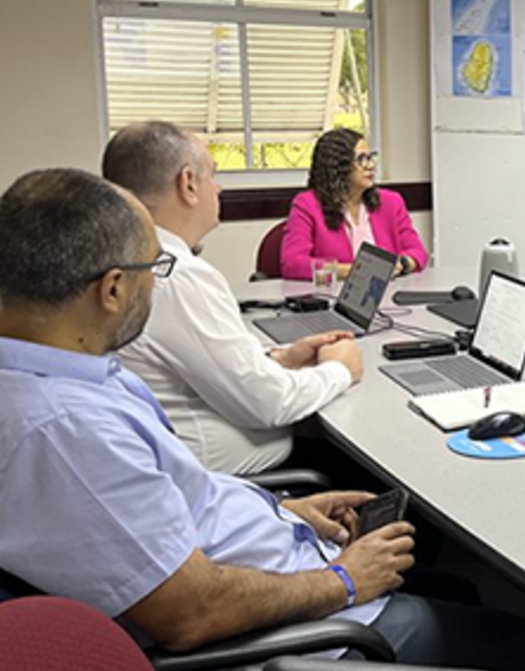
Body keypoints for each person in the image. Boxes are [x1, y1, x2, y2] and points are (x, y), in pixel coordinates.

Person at [0, 168, 525, 671]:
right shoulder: (62, 431)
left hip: (271, 566)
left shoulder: (15, 371)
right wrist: (344, 581)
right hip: (269, 658)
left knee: (455, 587)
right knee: (523, 648)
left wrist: (283, 509)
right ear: (112, 289)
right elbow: (188, 614)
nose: (157, 283)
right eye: (153, 269)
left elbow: (161, 500)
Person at [102, 121, 362, 475]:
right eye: (213, 174)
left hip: (161, 464)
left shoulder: (124, 256)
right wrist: (340, 369)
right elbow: (267, 403)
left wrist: (279, 357)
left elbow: (201, 361)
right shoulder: (177, 276)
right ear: (188, 184)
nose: (219, 188)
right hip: (222, 485)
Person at [281, 127, 428, 280]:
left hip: (387, 294)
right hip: (333, 297)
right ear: (337, 167)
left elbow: (418, 252)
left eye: (371, 157)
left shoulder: (391, 202)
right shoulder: (307, 205)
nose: (371, 165)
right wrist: (357, 271)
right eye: (362, 159)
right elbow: (293, 264)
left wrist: (401, 264)